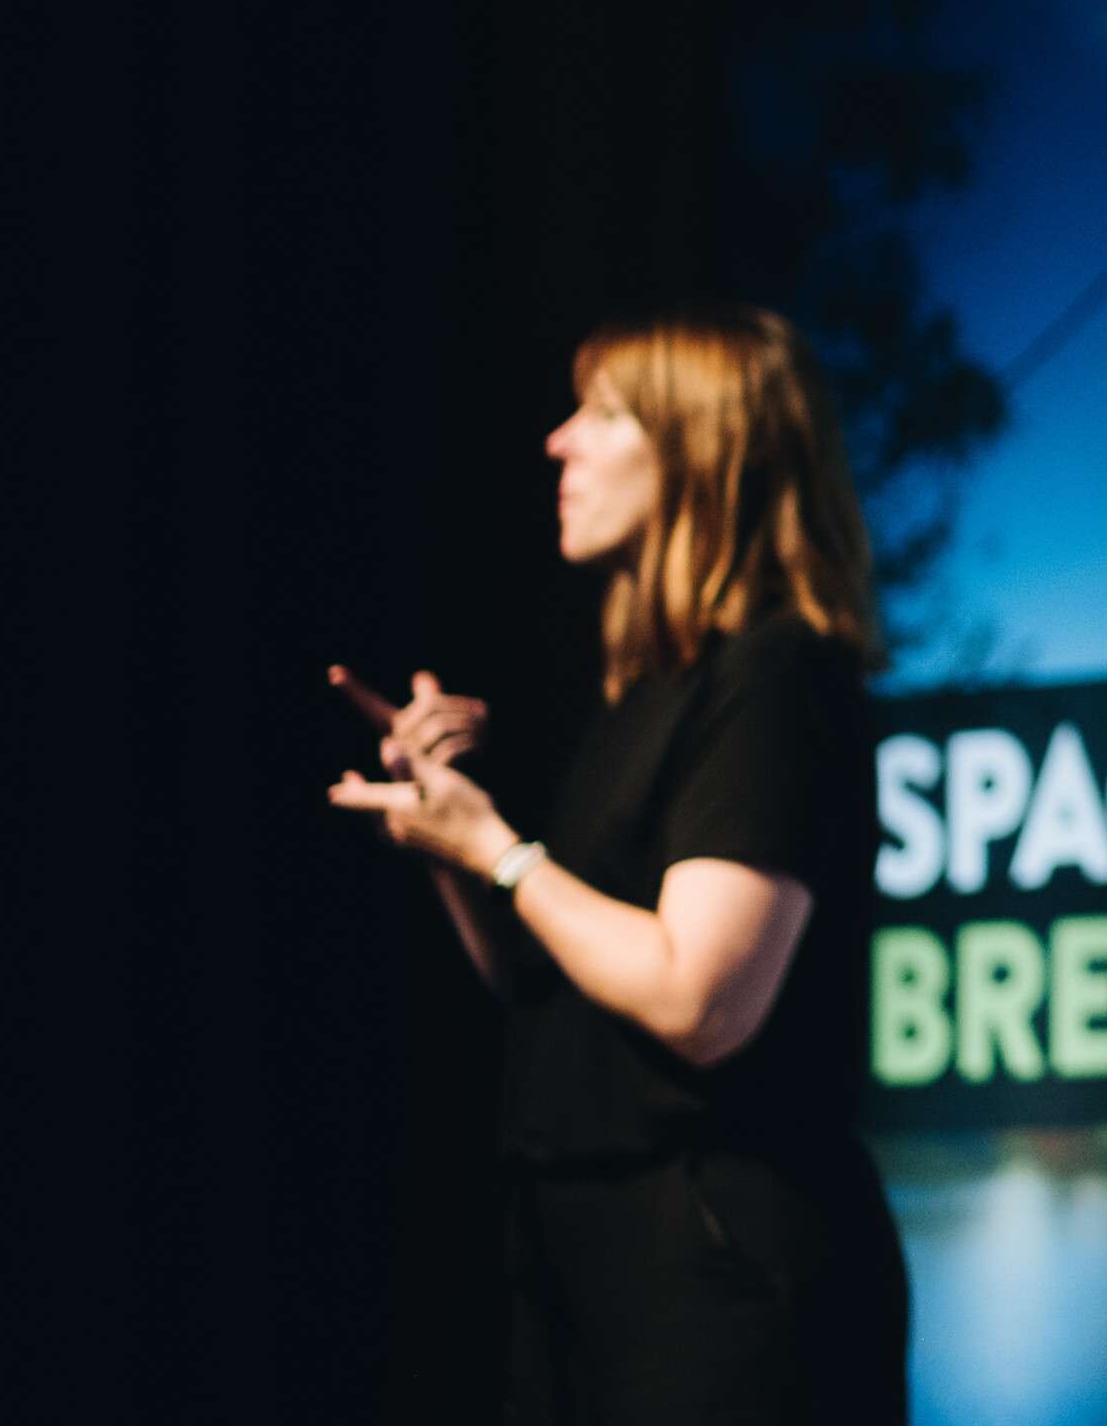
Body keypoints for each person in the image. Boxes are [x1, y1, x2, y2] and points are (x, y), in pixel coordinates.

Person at [330, 305, 910, 1425]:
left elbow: (699, 997)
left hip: (720, 1274)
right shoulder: (643, 696)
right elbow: (545, 986)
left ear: (700, 450)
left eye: (600, 414)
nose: (558, 442)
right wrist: (452, 834)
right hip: (583, 1264)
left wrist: (498, 848)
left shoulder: (776, 679)